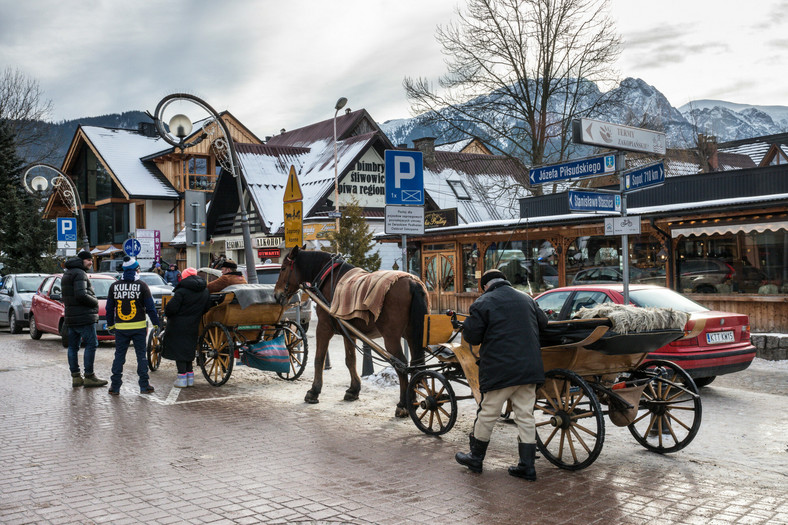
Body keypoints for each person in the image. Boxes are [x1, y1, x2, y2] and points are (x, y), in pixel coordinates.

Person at [455, 269, 548, 481]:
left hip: (500, 369)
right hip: (529, 369)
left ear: (485, 286)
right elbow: (544, 325)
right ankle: (527, 466)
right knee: (525, 415)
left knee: (488, 413)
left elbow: (472, 337)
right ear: (504, 281)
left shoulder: (483, 302)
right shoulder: (527, 299)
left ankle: (476, 458)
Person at [106, 256, 160, 395]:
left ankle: (115, 386)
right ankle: (144, 385)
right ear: (136, 270)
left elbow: (109, 308)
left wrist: (111, 326)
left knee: (119, 357)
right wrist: (156, 324)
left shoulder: (114, 286)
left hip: (121, 328)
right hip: (139, 328)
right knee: (141, 356)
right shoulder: (142, 286)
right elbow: (151, 308)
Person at [62, 250, 108, 388]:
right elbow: (81, 295)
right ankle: (89, 376)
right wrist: (95, 301)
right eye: (89, 260)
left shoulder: (67, 273)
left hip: (71, 316)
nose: (91, 262)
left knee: (73, 347)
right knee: (91, 345)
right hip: (84, 317)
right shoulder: (80, 273)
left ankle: (76, 377)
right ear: (82, 260)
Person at [162, 267, 211, 387]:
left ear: (184, 277)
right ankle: (190, 377)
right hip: (194, 324)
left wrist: (167, 312)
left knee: (179, 351)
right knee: (189, 350)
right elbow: (207, 307)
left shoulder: (181, 291)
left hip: (178, 325)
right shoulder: (205, 291)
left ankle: (182, 378)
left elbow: (171, 308)